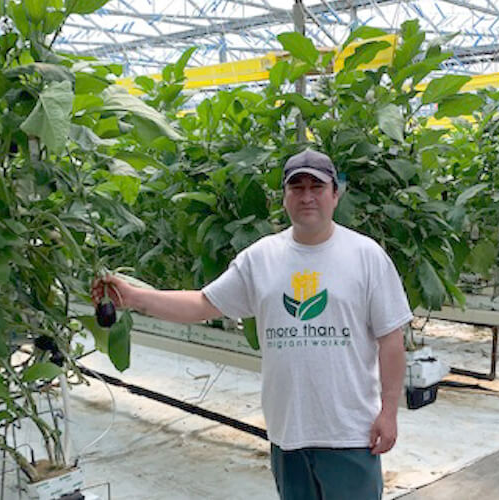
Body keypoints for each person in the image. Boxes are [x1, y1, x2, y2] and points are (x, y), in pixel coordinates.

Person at [92, 149, 412, 499]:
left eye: (317, 187)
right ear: (284, 198)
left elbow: (390, 338)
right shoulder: (261, 258)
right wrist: (134, 298)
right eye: (297, 187)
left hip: (350, 432)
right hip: (288, 432)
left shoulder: (366, 256)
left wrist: (389, 411)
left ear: (335, 194)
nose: (307, 196)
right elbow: (202, 304)